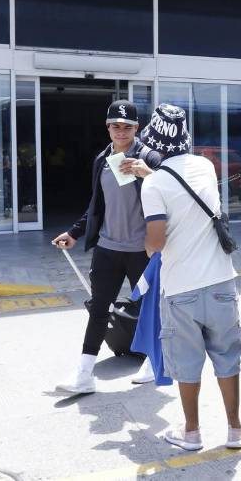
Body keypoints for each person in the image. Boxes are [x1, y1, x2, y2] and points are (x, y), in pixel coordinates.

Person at [141, 104, 241, 451]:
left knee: (187, 364)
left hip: (180, 289)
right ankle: (235, 429)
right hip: (220, 282)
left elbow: (156, 241)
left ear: (153, 144)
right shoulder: (205, 167)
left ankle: (191, 432)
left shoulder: (154, 185)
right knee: (227, 357)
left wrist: (147, 247)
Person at [54, 100, 162, 393]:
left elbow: (170, 194)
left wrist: (147, 173)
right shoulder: (102, 160)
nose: (121, 131)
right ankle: (84, 374)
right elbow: (97, 205)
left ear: (137, 128)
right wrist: (74, 232)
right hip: (108, 247)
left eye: (127, 127)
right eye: (116, 125)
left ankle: (154, 362)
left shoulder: (150, 157)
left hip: (143, 249)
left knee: (148, 308)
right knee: (99, 308)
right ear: (108, 127)